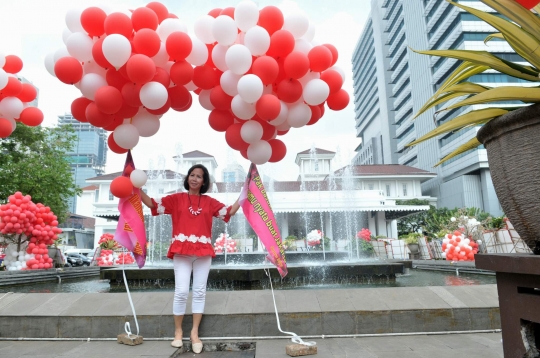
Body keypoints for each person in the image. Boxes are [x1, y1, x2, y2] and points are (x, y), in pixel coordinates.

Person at [140, 164, 240, 353]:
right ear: (187, 178)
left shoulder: (210, 202)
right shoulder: (176, 199)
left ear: (204, 181)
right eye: (192, 175)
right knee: (182, 291)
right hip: (182, 253)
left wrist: (244, 196)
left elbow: (229, 212)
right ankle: (178, 332)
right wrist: (136, 190)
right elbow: (153, 204)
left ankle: (194, 333)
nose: (194, 178)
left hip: (203, 254)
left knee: (200, 292)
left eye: (199, 176)